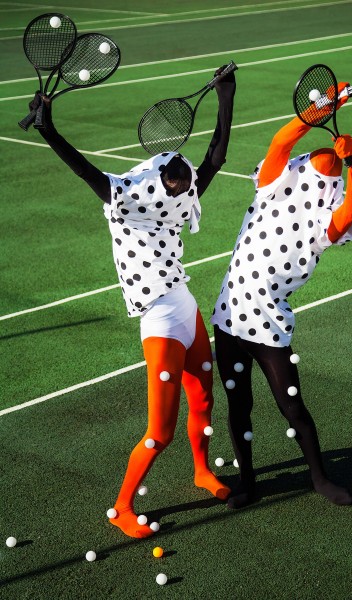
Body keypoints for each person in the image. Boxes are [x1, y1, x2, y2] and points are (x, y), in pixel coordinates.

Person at [28, 65, 236, 537]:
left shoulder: (183, 188)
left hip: (185, 305)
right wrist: (49, 130)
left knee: (204, 398)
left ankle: (202, 471)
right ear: (161, 178)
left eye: (186, 182)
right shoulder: (125, 196)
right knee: (159, 431)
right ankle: (122, 506)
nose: (185, 187)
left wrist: (227, 95)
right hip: (159, 323)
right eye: (178, 183)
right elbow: (84, 170)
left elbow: (217, 156)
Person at [211, 82, 352, 509]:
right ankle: (248, 481)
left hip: (268, 324)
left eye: (327, 171)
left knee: (292, 407)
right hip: (229, 316)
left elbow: (351, 209)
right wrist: (314, 113)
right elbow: (281, 143)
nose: (319, 165)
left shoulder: (322, 226)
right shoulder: (271, 185)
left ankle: (319, 478)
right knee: (238, 405)